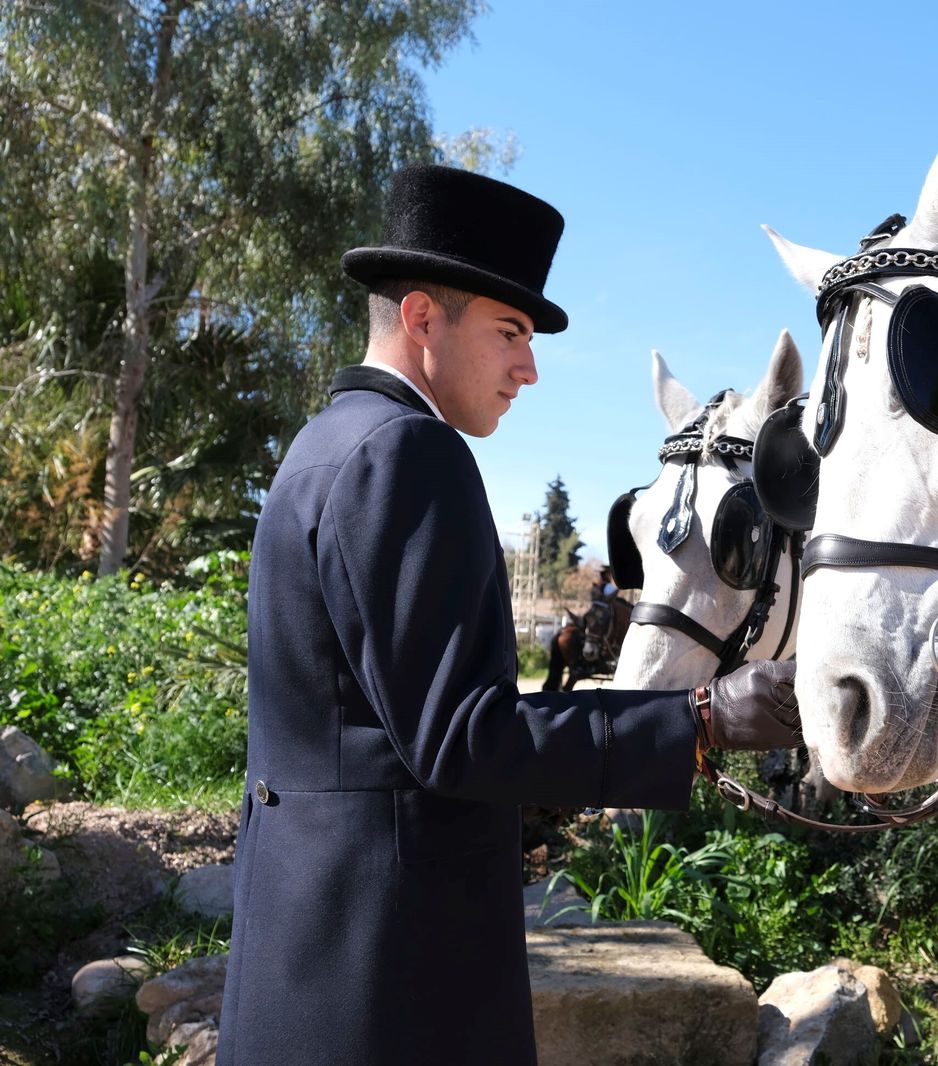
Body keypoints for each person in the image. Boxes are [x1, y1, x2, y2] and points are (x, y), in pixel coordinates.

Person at [216, 165, 801, 1066]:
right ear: (420, 318)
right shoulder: (409, 454)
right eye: (511, 331)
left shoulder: (321, 448)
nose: (529, 368)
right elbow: (460, 736)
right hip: (396, 988)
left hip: (310, 961)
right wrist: (701, 718)